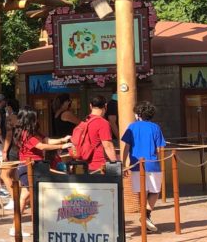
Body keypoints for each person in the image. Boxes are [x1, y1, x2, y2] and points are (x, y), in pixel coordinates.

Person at [12, 109, 71, 235]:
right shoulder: (25, 133)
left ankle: (22, 227)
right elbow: (41, 146)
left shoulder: (33, 132)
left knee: (30, 196)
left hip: (38, 166)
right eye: (35, 117)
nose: (38, 119)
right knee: (26, 196)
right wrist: (61, 146)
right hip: (28, 167)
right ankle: (16, 228)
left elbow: (46, 140)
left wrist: (63, 139)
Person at [121, 101, 168, 232]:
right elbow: (159, 148)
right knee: (155, 191)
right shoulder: (155, 127)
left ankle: (145, 216)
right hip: (153, 164)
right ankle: (146, 215)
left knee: (142, 192)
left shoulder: (132, 127)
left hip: (136, 165)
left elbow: (126, 147)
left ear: (138, 114)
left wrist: (124, 163)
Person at [71, 95, 117, 174]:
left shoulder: (84, 121)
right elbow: (108, 146)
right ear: (105, 106)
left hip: (81, 164)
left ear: (90, 106)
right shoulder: (103, 123)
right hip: (98, 166)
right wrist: (115, 166)